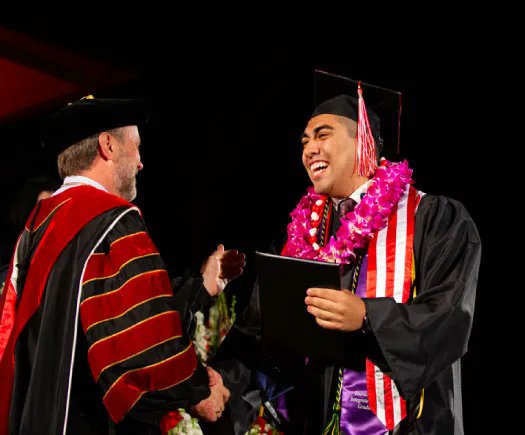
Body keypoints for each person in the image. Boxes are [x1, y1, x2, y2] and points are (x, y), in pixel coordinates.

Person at [211, 78, 481, 434]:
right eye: (304, 142)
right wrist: (223, 383)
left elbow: (449, 317)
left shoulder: (432, 219)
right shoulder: (303, 236)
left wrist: (369, 316)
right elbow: (264, 333)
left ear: (363, 142)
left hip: (407, 425)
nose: (309, 150)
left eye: (322, 135)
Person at [0, 96, 245, 434]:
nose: (141, 162)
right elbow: (138, 345)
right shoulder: (112, 222)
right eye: (137, 147)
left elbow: (111, 314)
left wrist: (200, 287)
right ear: (108, 145)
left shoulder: (38, 225)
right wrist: (199, 388)